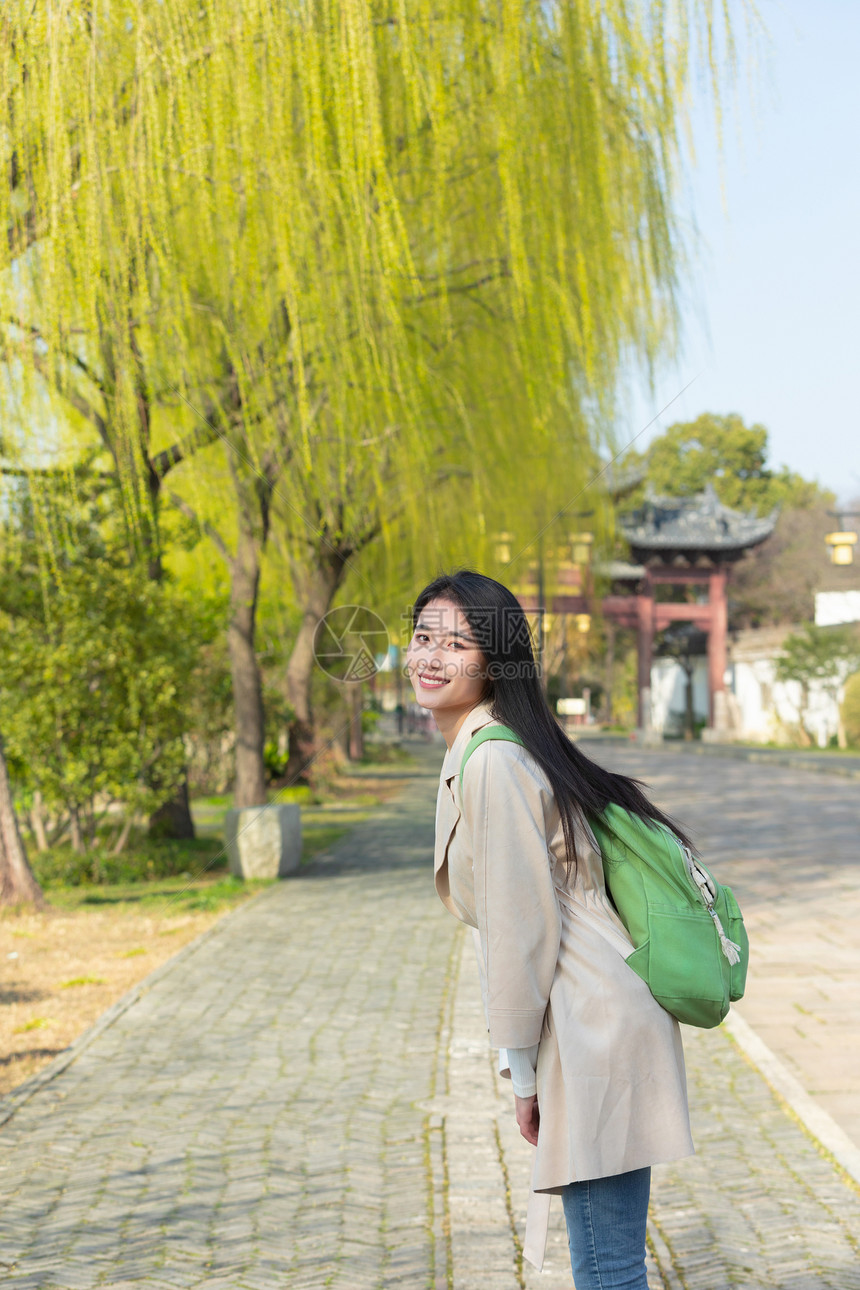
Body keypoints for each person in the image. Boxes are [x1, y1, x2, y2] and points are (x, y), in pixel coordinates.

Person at [404, 570, 694, 1290]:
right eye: (422, 637)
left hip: (586, 1023)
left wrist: (522, 1074)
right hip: (597, 1013)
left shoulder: (495, 758)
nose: (432, 656)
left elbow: (519, 932)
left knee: (606, 1267)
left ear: (497, 662)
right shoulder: (490, 747)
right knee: (608, 1260)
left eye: (457, 643)